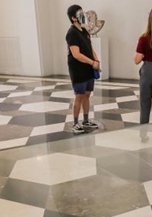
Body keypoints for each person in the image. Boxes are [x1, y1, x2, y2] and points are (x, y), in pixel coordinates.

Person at [66, 4, 100, 134]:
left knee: (87, 94)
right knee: (79, 96)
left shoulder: (85, 31)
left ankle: (86, 121)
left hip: (88, 68)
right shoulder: (71, 33)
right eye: (80, 13)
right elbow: (76, 54)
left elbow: (90, 49)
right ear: (73, 18)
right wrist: (92, 62)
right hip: (78, 69)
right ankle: (75, 123)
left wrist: (96, 60)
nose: (83, 15)